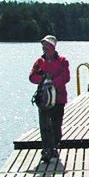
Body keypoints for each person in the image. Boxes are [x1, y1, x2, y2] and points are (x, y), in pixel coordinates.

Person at [29, 35, 70, 163]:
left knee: (56, 126)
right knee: (44, 125)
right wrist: (42, 79)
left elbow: (66, 77)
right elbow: (31, 77)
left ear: (52, 47)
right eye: (43, 47)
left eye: (46, 47)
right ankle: (47, 150)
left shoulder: (63, 61)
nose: (44, 49)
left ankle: (54, 146)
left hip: (59, 99)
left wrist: (52, 82)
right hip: (44, 99)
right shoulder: (39, 62)